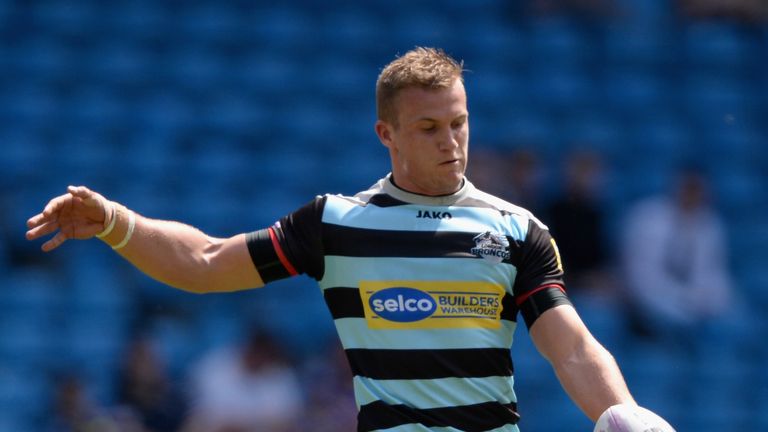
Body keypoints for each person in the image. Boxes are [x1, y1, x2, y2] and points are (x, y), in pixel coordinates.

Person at [26, 47, 672, 431]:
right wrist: (115, 221)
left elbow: (574, 351)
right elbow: (204, 261)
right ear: (385, 134)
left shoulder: (515, 230)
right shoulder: (336, 224)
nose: (451, 142)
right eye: (428, 128)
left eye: (459, 122)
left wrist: (624, 416)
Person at [619, 167, 734, 345]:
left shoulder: (710, 224)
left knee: (731, 320)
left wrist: (705, 301)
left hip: (694, 306)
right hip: (648, 302)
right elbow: (643, 278)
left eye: (697, 190)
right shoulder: (648, 218)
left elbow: (712, 274)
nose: (692, 195)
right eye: (688, 188)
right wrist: (684, 303)